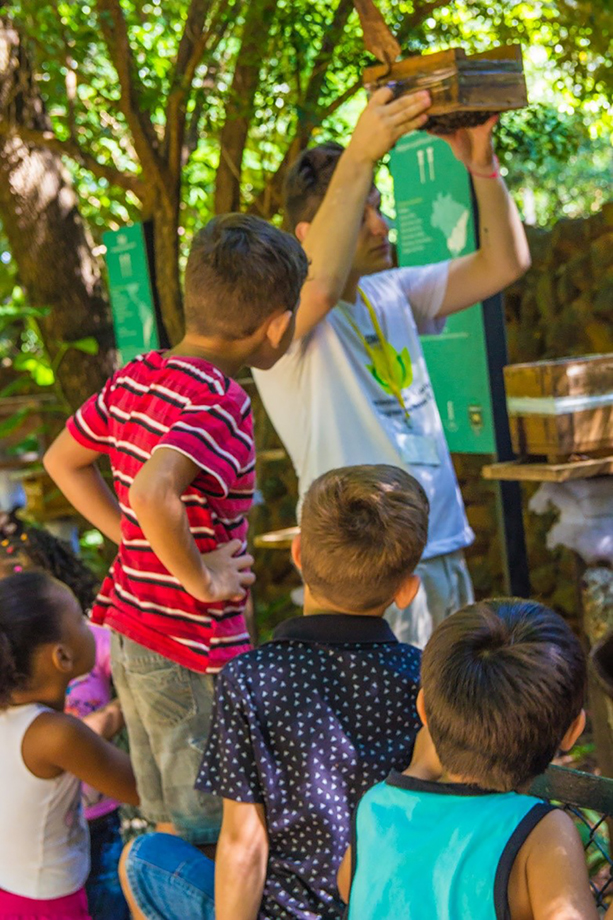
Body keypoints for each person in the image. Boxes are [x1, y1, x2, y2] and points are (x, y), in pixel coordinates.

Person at [43, 214, 309, 847]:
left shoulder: (138, 376)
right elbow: (152, 489)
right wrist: (201, 573)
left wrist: (133, 536)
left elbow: (64, 461)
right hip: (189, 641)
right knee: (212, 823)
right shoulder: (220, 401)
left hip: (134, 630)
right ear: (276, 323)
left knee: (163, 810)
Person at [252, 87, 532, 646]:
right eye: (362, 213)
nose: (381, 226)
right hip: (370, 569)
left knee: (450, 719)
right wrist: (360, 151)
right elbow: (323, 284)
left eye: (378, 207)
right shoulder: (285, 322)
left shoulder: (393, 291)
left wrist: (483, 168)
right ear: (306, 235)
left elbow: (507, 261)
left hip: (441, 542)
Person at [119, 463, 429, 919]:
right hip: (388, 908)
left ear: (298, 552)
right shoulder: (424, 679)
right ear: (407, 591)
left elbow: (244, 843)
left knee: (144, 856)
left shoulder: (249, 678)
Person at [337, 598, 606, 919]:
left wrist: (417, 768)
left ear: (423, 708)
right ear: (574, 730)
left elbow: (349, 887)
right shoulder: (541, 833)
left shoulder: (377, 808)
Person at [0, 514, 130, 920]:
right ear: (62, 656)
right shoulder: (55, 734)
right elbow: (141, 787)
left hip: (15, 890)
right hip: (48, 904)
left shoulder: (18, 717)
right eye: (79, 617)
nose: (89, 623)